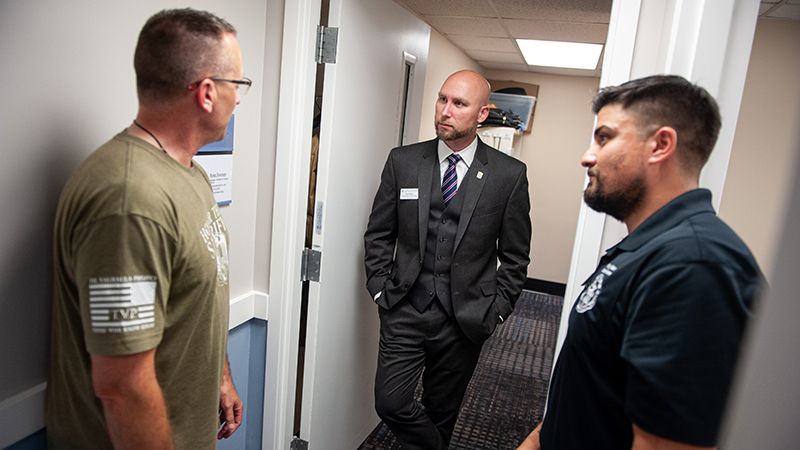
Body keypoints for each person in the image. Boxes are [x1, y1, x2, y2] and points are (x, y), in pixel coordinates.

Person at [517, 75, 764, 450]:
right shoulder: (649, 248)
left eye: (604, 138)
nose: (587, 156)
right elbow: (590, 389)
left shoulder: (693, 265)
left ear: (660, 145)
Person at [45, 8, 250, 449]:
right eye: (238, 84)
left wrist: (221, 376)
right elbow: (123, 387)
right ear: (207, 93)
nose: (239, 98)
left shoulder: (190, 174)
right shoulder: (129, 200)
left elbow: (196, 293)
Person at [364, 70, 532, 450]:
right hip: (404, 307)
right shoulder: (404, 161)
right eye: (443, 99)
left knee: (442, 413)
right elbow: (379, 233)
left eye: (459, 103)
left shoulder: (508, 175)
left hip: (465, 318)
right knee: (390, 403)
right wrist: (379, 288)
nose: (445, 110)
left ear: (482, 114)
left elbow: (515, 256)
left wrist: (496, 312)